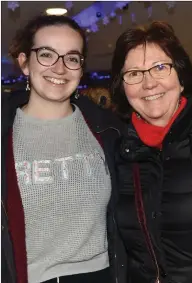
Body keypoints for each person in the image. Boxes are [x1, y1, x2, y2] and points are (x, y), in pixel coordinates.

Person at [1, 14, 126, 283]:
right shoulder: (5, 134)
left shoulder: (110, 131)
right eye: (46, 54)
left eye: (71, 58)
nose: (59, 68)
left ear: (80, 68)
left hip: (103, 275)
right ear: (24, 62)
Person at [111, 21, 192, 283]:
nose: (149, 84)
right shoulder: (119, 150)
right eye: (134, 74)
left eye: (160, 68)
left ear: (181, 78)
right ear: (123, 87)